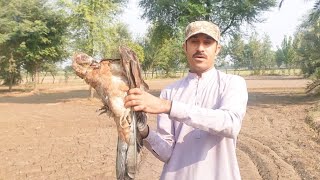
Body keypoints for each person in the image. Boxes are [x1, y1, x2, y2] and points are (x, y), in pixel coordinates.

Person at [124, 20, 248, 180]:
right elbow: (166, 152)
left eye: (207, 42)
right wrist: (144, 131)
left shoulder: (232, 83)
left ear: (217, 49)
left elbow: (230, 124)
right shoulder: (170, 91)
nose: (200, 48)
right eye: (194, 42)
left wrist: (168, 107)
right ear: (185, 47)